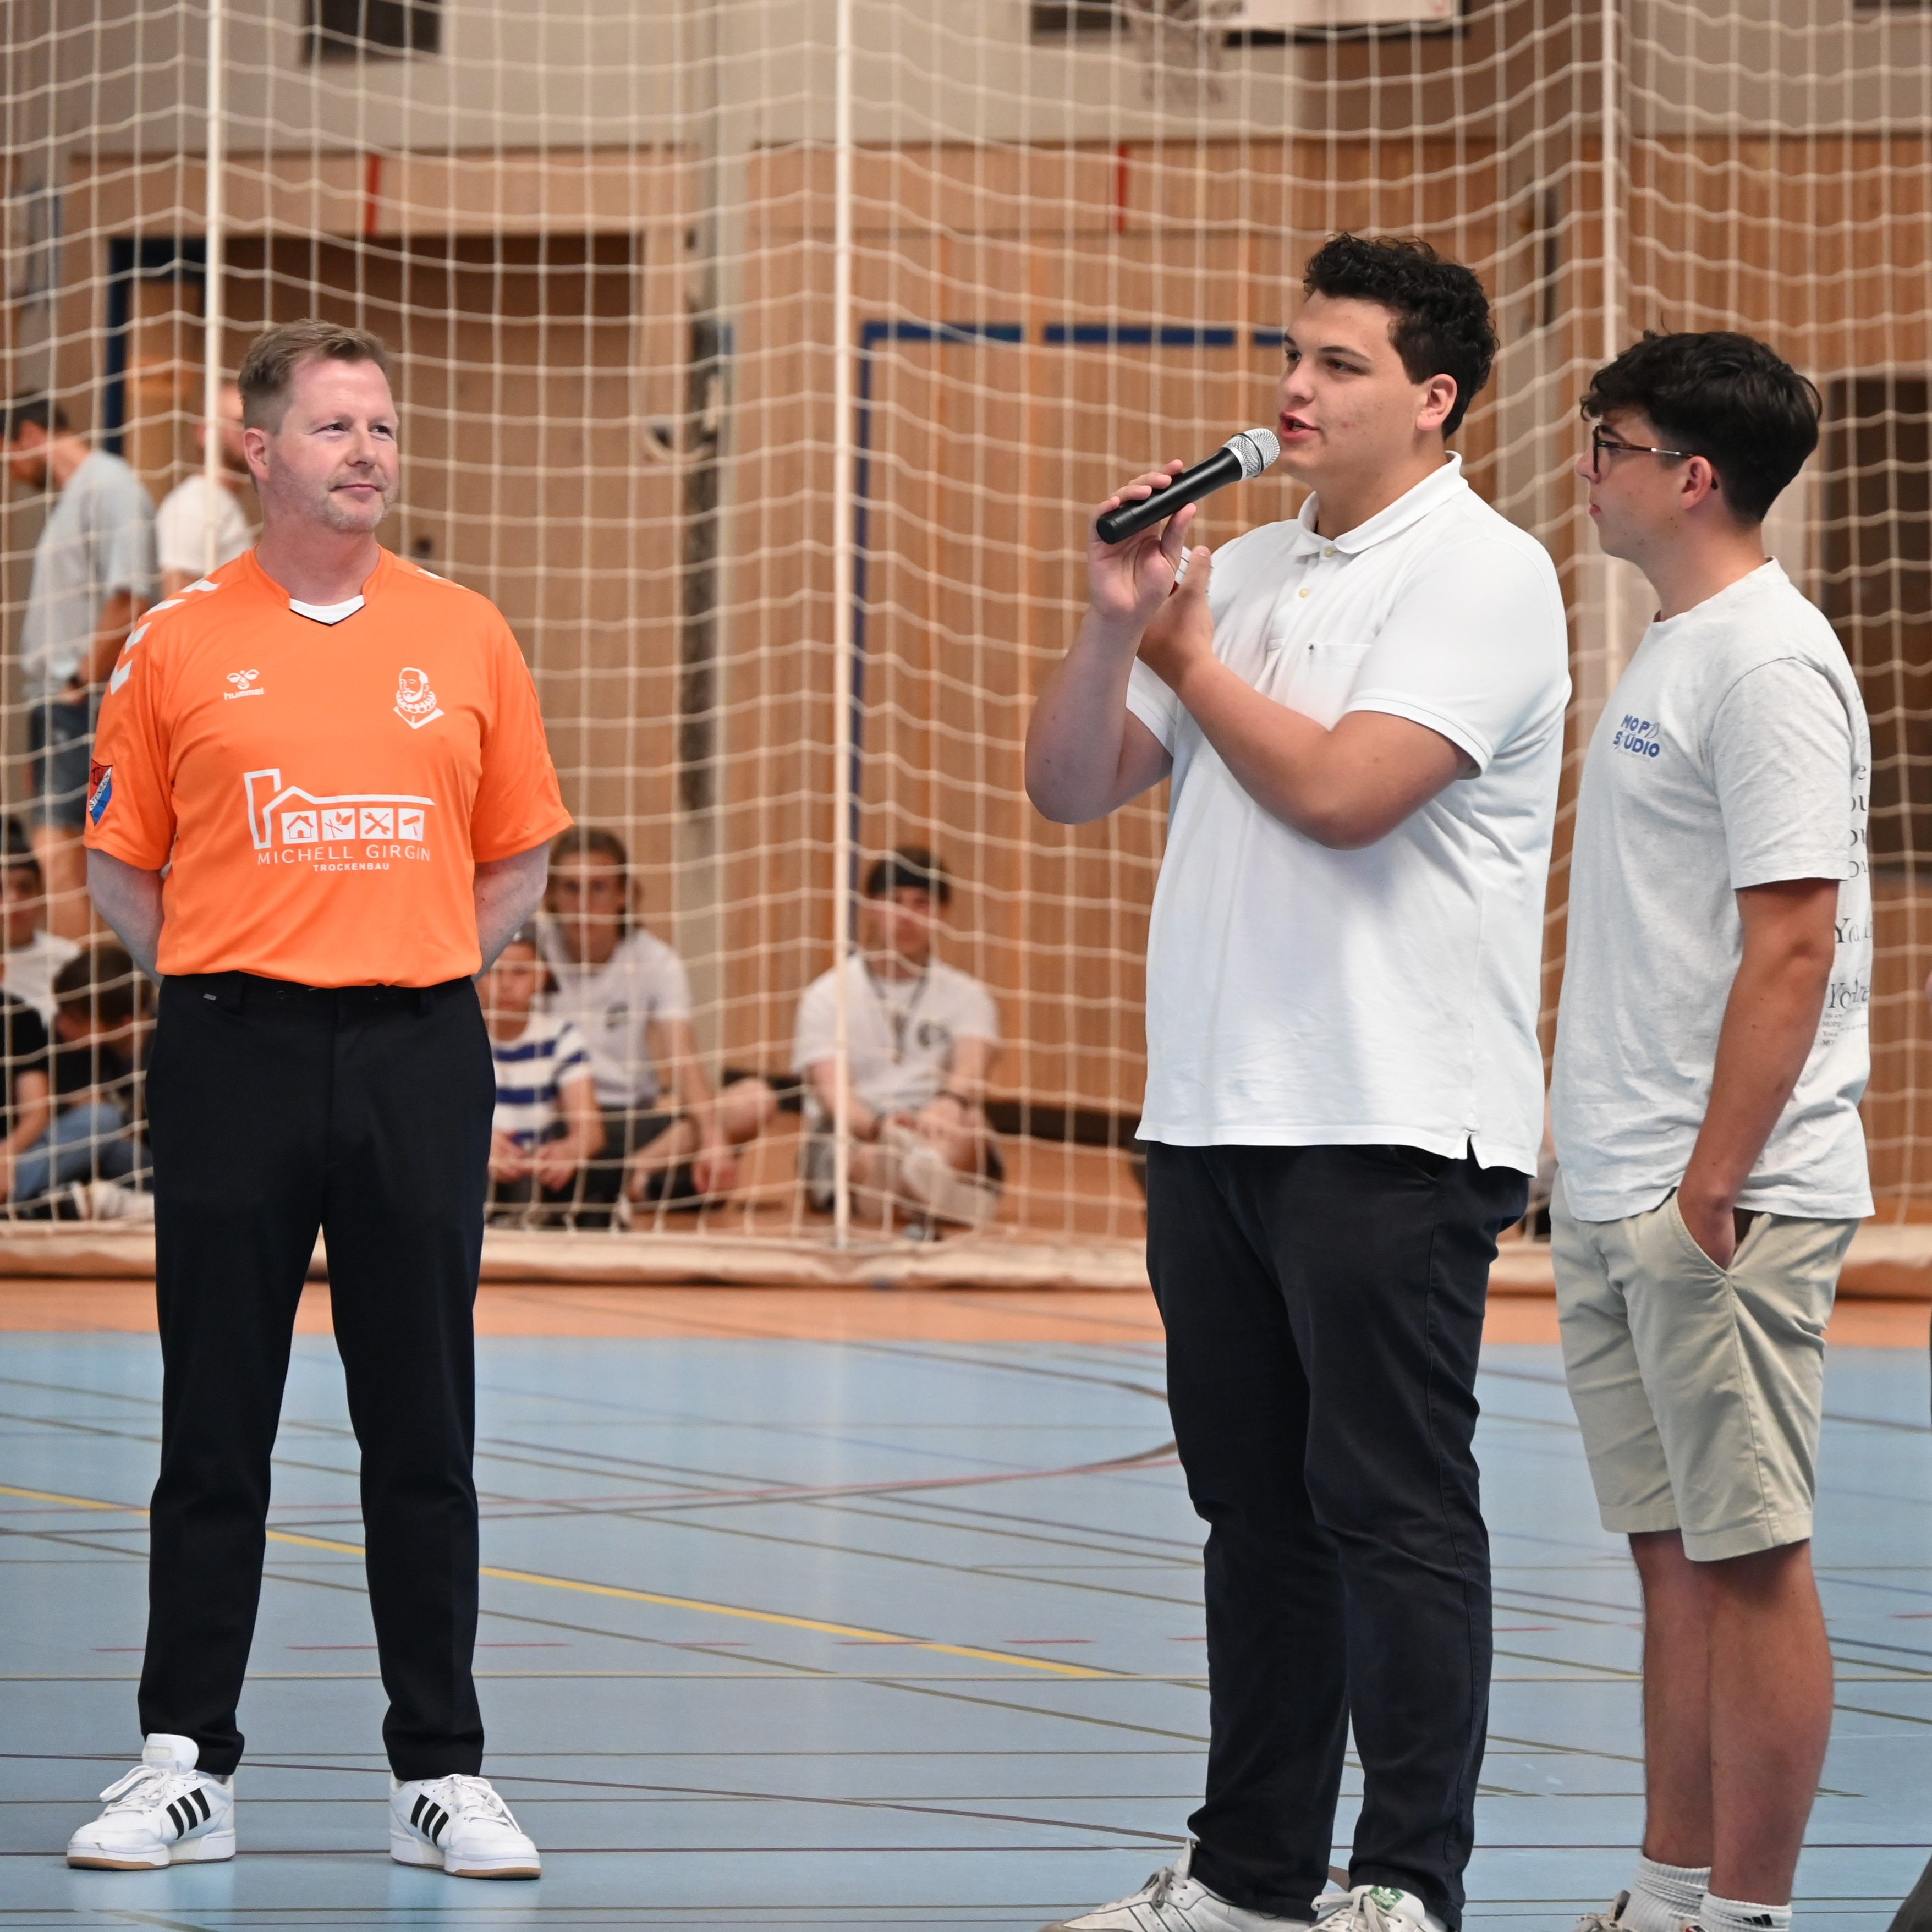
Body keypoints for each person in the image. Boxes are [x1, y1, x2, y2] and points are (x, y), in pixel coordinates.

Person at [1025, 234, 1569, 1932]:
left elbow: (1344, 795)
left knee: (1393, 1511)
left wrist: (1191, 659)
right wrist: (1116, 628)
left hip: (1391, 1119)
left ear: (1435, 397)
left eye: (1338, 363)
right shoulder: (1244, 568)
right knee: (1251, 1517)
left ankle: (1403, 1881)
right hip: (1212, 1115)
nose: (1291, 389)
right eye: (1291, 353)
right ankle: (1249, 1875)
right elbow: (1067, 786)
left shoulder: (1487, 574)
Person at [67, 318, 571, 1879]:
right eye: (336, 425)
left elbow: (518, 851)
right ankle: (184, 1761)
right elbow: (118, 864)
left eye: (383, 426)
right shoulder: (177, 642)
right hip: (235, 1050)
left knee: (423, 1422)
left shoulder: (466, 634)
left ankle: (442, 1769)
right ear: (260, 450)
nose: (368, 450)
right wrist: (239, 973)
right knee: (215, 1418)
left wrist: (410, 968)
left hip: (420, 1052)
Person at [1550, 333, 1873, 1932]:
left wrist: (1711, 1180)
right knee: (1670, 1556)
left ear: (1690, 476)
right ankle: (1665, 1894)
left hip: (1720, 1197)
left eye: (1606, 442)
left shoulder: (1766, 662)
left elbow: (1792, 941)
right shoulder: (1675, 648)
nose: (1583, 467)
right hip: (1624, 1183)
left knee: (1748, 1557)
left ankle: (1747, 1914)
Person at [537, 826, 774, 1220]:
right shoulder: (527, 954)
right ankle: (642, 1188)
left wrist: (712, 1137)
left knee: (756, 1099)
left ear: (624, 894)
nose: (583, 903)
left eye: (598, 888)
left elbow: (684, 1059)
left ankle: (630, 1176)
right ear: (551, 895)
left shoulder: (656, 961)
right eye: (570, 888)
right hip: (554, 1120)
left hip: (632, 1122)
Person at [1, 394, 157, 939]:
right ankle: (85, 979)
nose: (12, 474)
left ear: (29, 435)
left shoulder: (110, 486)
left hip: (83, 699)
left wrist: (79, 681)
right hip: (59, 701)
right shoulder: (75, 498)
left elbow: (131, 597)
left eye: (8, 457)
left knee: (61, 853)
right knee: (59, 852)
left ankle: (85, 985)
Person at [792, 847, 1002, 1232]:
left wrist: (949, 1103)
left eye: (922, 904)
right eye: (895, 902)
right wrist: (880, 1127)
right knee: (874, 1157)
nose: (908, 916)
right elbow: (834, 1095)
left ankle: (908, 1188)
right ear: (872, 908)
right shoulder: (827, 995)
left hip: (933, 1126)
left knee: (971, 1123)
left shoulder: (968, 995)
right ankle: (931, 1197)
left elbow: (973, 1065)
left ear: (942, 913)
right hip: (862, 1130)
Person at [11, 941, 148, 1214]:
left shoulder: (163, 1050)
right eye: (60, 1010)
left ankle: (21, 1194)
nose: (60, 1023)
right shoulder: (69, 1045)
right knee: (98, 1125)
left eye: (74, 1018)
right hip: (87, 1160)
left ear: (124, 1023)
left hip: (146, 1165)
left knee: (105, 1125)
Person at [483, 922, 602, 1224]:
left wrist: (568, 1150)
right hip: (474, 1170)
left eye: (520, 972)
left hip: (536, 1172)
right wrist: (479, 1147)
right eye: (496, 971)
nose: (506, 984)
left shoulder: (560, 1037)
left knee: (598, 1176)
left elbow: (591, 1131)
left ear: (541, 977)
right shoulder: (458, 1039)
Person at [155, 378, 255, 596]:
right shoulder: (193, 505)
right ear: (205, 433)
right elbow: (178, 604)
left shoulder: (220, 501)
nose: (251, 437)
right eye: (240, 423)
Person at [0, 820, 79, 1028]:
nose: (13, 901)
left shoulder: (67, 958)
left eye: (25, 888)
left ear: (42, 896)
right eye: (1, 889)